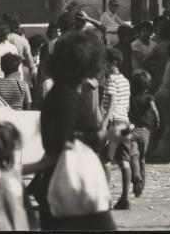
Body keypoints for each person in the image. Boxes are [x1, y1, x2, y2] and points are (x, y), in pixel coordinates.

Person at [22, 31, 115, 230]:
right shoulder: (66, 97)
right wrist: (106, 134)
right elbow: (60, 145)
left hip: (68, 186)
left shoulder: (65, 92)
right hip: (72, 187)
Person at [100, 48, 133, 210]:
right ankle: (125, 198)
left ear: (113, 62)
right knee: (124, 161)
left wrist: (105, 121)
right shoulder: (125, 80)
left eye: (105, 61)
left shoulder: (111, 79)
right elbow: (125, 105)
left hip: (114, 122)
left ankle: (107, 200)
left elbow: (112, 101)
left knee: (105, 159)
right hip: (125, 122)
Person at [128, 69, 160, 198]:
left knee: (133, 156)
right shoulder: (149, 97)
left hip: (132, 130)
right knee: (142, 158)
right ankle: (140, 187)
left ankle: (135, 175)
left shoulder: (131, 98)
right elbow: (153, 109)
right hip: (145, 132)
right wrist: (157, 121)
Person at [2, 12, 36, 82]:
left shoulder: (1, 39)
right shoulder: (23, 41)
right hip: (17, 74)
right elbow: (31, 63)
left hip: (2, 74)